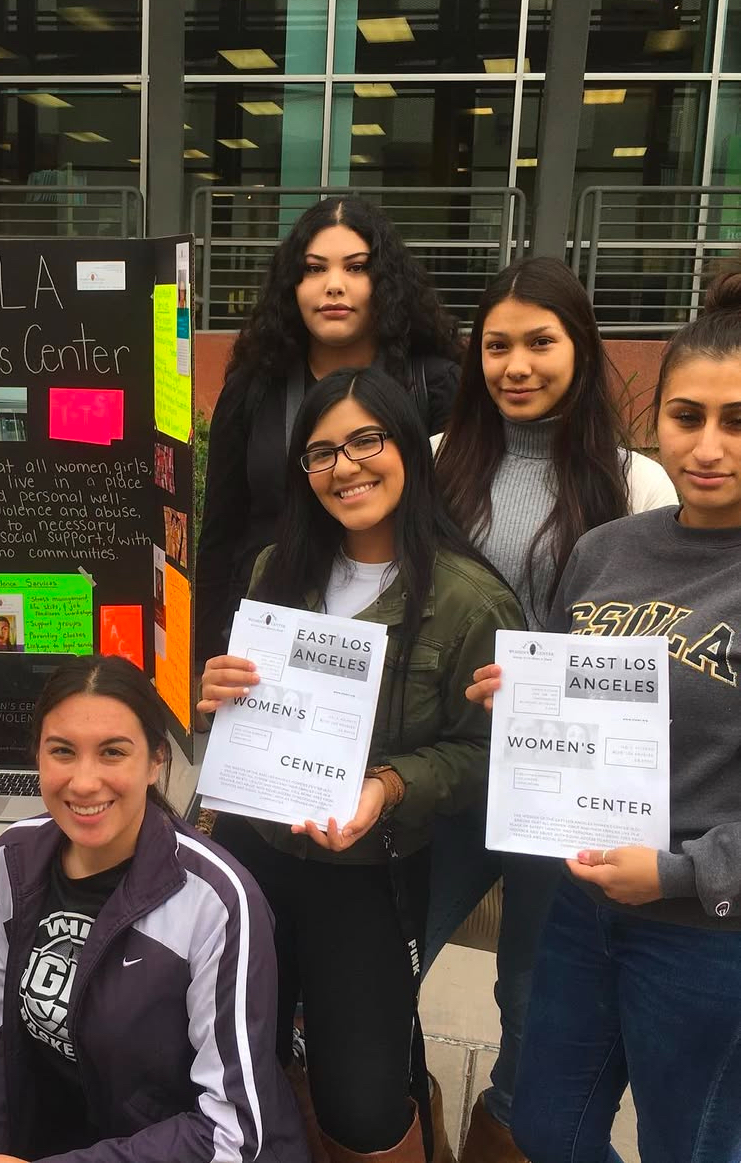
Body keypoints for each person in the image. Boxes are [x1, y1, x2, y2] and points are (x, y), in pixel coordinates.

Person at [199, 368, 523, 1163]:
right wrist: (220, 689)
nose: (344, 467)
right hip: (255, 850)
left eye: (365, 441)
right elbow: (249, 705)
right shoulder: (275, 568)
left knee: (362, 1101)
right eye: (321, 452)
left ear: (407, 445)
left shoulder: (469, 599)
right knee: (237, 1052)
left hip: (371, 869)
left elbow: (486, 753)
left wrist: (390, 784)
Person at [465, 263, 741, 1163]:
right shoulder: (607, 550)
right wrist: (520, 701)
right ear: (657, 419)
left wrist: (678, 873)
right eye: (687, 416)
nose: (708, 446)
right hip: (586, 905)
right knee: (549, 1125)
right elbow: (565, 691)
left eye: (737, 421)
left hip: (708, 929)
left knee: (689, 1145)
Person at [426, 257, 677, 1162]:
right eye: (497, 346)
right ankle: (400, 1107)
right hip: (445, 764)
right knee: (381, 956)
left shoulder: (638, 483)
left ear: (581, 348)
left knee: (534, 991)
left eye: (540, 342)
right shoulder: (432, 462)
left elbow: (661, 643)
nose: (517, 365)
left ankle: (501, 1127)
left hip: (565, 790)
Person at [0, 654, 308, 1163]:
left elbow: (232, 1131)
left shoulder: (216, 901)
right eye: (62, 751)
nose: (84, 782)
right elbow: (6, 1039)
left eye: (112, 752)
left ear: (155, 761)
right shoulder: (14, 858)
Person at [195, 196, 462, 666]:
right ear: (292, 285)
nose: (334, 286)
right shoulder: (255, 387)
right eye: (314, 269)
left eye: (356, 268)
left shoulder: (434, 385)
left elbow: (459, 521)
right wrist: (205, 656)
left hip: (407, 645)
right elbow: (221, 531)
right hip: (268, 637)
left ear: (386, 282)